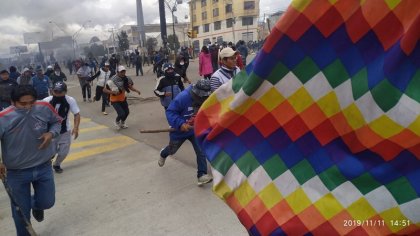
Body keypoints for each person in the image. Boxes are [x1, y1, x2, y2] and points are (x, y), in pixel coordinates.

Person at [0, 85, 62, 236]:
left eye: (31, 102)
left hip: (43, 167)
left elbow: (57, 122)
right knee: (21, 214)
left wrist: (51, 133)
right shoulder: (3, 117)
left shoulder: (45, 107)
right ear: (13, 102)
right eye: (23, 104)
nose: (28, 107)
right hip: (17, 173)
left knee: (47, 202)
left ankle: (35, 205)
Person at [158, 79, 213, 186]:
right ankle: (163, 153)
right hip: (179, 130)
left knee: (201, 151)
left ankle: (201, 175)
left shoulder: (206, 97)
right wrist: (180, 124)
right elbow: (170, 112)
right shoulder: (183, 97)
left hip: (195, 130)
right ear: (196, 92)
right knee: (172, 150)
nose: (204, 99)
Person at [43, 82, 80, 173]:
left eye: (60, 92)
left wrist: (76, 128)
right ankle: (48, 162)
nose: (58, 94)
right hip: (50, 132)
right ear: (52, 91)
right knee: (51, 152)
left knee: (64, 152)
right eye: (56, 91)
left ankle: (57, 164)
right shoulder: (46, 101)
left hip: (65, 130)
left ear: (65, 91)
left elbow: (76, 114)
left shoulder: (70, 100)